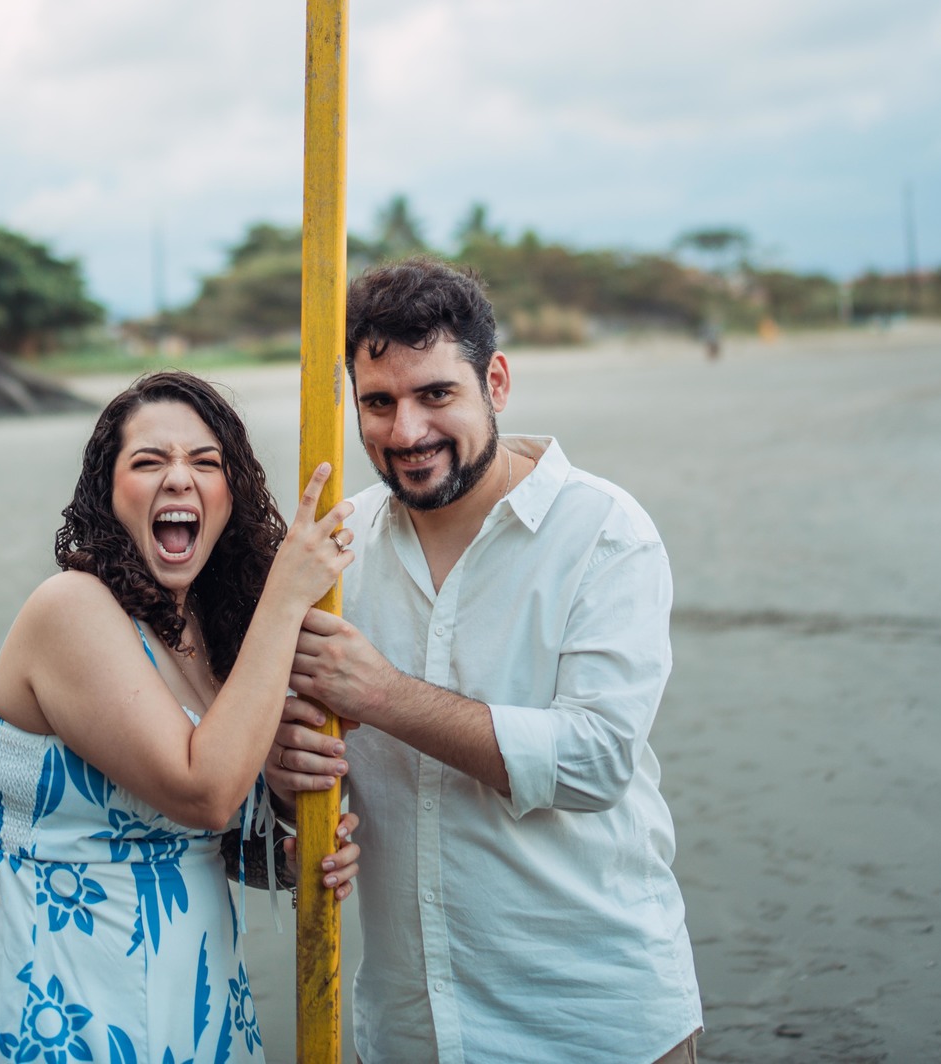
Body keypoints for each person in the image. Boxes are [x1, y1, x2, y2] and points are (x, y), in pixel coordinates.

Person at [269, 261, 702, 1064]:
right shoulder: (335, 551)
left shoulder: (604, 532)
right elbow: (301, 781)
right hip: (410, 1028)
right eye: (378, 402)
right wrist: (288, 792)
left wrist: (385, 695)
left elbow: (595, 761)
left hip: (594, 1023)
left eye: (437, 394)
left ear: (495, 382)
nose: (407, 432)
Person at [0, 370, 360, 1064]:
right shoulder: (71, 609)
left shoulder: (210, 635)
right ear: (108, 492)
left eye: (205, 463)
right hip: (59, 992)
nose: (180, 478)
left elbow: (194, 838)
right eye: (149, 461)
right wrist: (286, 597)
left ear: (231, 494)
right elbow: (202, 791)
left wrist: (285, 850)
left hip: (192, 990)